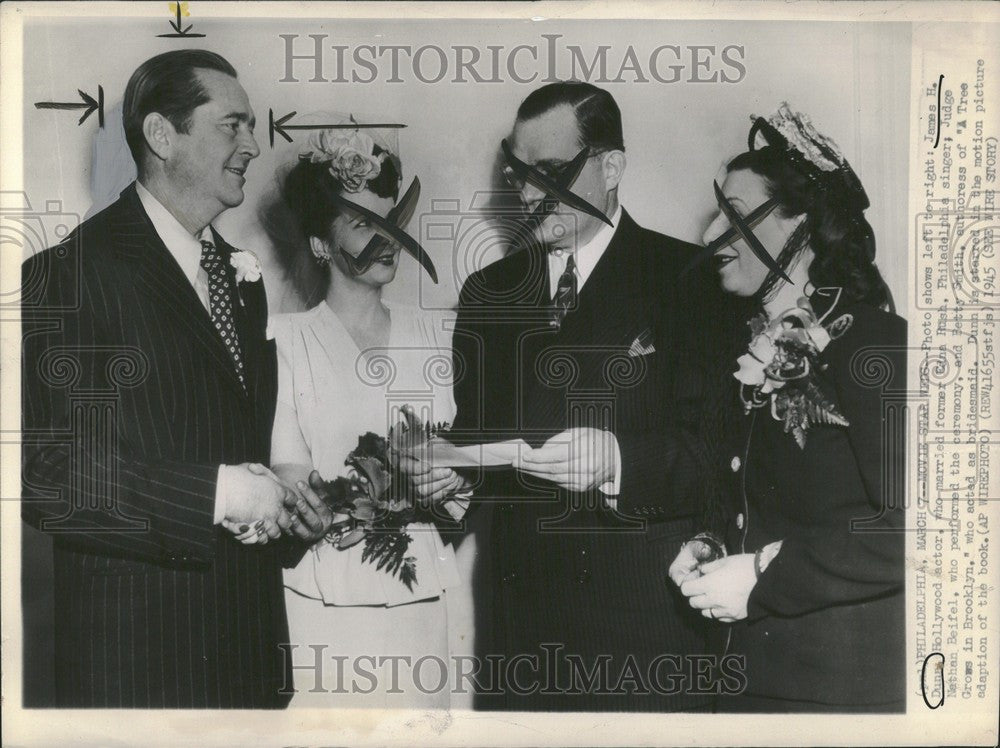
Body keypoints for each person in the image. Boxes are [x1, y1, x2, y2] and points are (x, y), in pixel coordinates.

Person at [405, 81, 733, 711]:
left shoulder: (694, 282)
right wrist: (450, 478)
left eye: (550, 172)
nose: (528, 194)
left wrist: (619, 462)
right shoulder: (487, 291)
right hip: (523, 633)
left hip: (649, 632)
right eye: (518, 173)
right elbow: (479, 437)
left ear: (612, 166)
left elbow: (720, 456)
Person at [20, 49, 317, 707]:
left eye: (253, 126)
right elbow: (47, 472)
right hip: (138, 670)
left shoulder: (242, 276)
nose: (253, 144)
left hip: (248, 661)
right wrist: (218, 495)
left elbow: (241, 443)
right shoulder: (67, 274)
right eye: (232, 125)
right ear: (161, 135)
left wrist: (289, 500)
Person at [669, 104, 907, 712]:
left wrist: (764, 578)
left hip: (839, 695)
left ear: (804, 222)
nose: (707, 236)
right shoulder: (747, 349)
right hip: (748, 684)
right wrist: (711, 545)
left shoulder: (874, 345)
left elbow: (917, 532)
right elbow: (763, 506)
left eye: (736, 215)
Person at [264, 123, 474, 708]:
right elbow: (288, 468)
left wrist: (455, 476)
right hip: (320, 601)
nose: (388, 240)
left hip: (421, 600)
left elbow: (469, 463)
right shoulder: (284, 340)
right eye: (363, 224)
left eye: (393, 223)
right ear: (319, 245)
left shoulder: (440, 333)